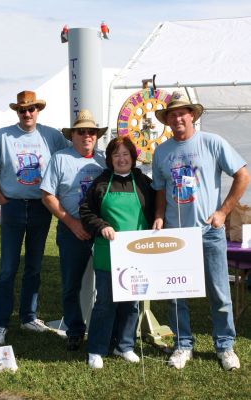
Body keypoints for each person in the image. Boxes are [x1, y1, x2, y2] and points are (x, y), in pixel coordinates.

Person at [152, 91, 250, 371]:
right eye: (172, 114)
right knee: (175, 293)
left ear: (192, 115)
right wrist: (159, 215)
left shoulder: (212, 142)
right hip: (175, 234)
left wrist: (223, 211)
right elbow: (159, 188)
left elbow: (243, 174)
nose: (178, 117)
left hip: (208, 231)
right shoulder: (162, 151)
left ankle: (225, 346)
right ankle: (183, 344)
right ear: (167, 120)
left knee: (219, 291)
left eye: (182, 112)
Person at [0, 90, 70, 345]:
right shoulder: (3, 136)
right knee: (8, 269)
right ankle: (0, 324)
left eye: (31, 108)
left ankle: (28, 317)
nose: (27, 113)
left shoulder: (51, 135)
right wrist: (2, 200)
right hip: (12, 207)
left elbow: (67, 159)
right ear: (17, 112)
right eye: (22, 109)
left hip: (40, 207)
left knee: (34, 266)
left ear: (38, 110)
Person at [79, 136, 155, 369]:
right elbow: (85, 211)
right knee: (105, 302)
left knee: (132, 303)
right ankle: (96, 349)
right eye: (116, 155)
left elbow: (154, 212)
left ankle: (125, 346)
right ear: (110, 159)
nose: (121, 159)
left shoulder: (143, 182)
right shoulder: (101, 183)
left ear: (133, 158)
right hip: (108, 252)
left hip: (136, 254)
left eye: (125, 154)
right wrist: (102, 226)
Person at [40, 109, 106, 351]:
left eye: (91, 131)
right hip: (71, 229)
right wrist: (72, 223)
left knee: (107, 284)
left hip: (101, 231)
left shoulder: (103, 160)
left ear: (96, 135)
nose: (87, 135)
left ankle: (104, 329)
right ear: (73, 135)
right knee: (71, 284)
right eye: (82, 131)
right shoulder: (60, 158)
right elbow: (47, 196)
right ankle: (75, 330)